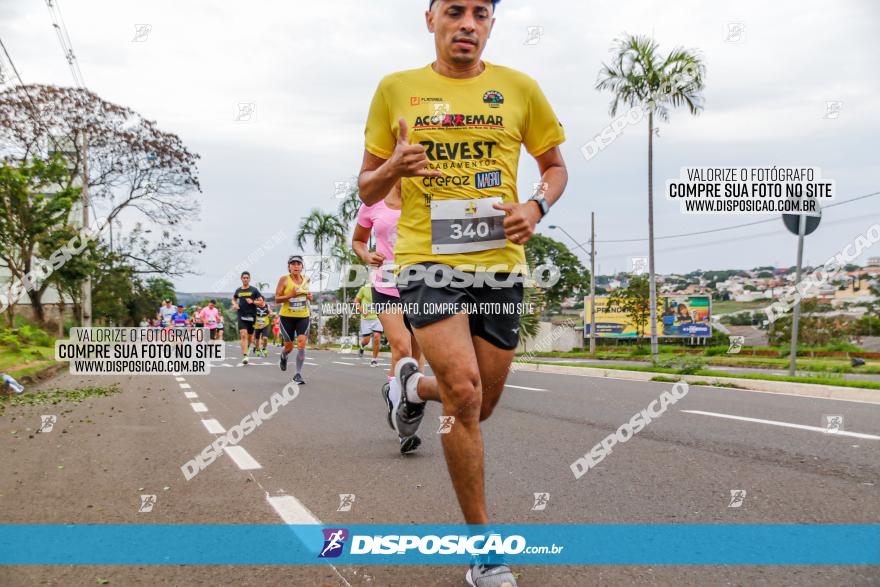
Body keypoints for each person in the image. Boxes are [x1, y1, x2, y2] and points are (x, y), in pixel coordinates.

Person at [357, 1, 568, 584]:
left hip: (499, 265)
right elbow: (366, 184)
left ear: (491, 24)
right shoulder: (396, 88)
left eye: (480, 12)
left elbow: (555, 167)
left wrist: (536, 205)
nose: (467, 23)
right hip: (428, 263)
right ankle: (483, 551)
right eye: (455, 10)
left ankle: (409, 386)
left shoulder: (520, 88)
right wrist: (393, 168)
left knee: (480, 405)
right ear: (432, 20)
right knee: (466, 396)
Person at [352, 180, 423, 453]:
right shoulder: (373, 202)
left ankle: (401, 401)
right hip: (386, 285)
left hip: (421, 284)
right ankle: (403, 428)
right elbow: (358, 240)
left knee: (417, 355)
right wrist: (366, 254)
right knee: (402, 348)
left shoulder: (427, 198)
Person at [275, 255, 312, 385]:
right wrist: (290, 295)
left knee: (301, 344)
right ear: (289, 267)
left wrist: (309, 297)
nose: (296, 266)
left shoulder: (306, 279)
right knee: (289, 347)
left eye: (298, 264)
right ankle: (284, 356)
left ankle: (297, 374)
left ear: (302, 267)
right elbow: (277, 299)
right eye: (293, 264)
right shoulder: (284, 280)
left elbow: (307, 295)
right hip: (287, 318)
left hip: (303, 316)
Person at [232, 272, 262, 365]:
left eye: (247, 278)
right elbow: (233, 299)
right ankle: (245, 356)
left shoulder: (254, 290)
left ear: (249, 279)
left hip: (251, 316)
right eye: (244, 278)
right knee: (243, 334)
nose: (245, 279)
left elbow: (261, 302)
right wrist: (235, 304)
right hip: (241, 315)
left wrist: (253, 301)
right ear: (241, 279)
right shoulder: (238, 290)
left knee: (250, 336)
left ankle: (248, 347)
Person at [354, 283, 383, 367]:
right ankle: (362, 346)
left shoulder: (382, 288)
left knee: (377, 337)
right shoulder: (364, 288)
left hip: (378, 317)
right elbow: (356, 301)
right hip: (366, 319)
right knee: (366, 340)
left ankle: (374, 360)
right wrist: (362, 310)